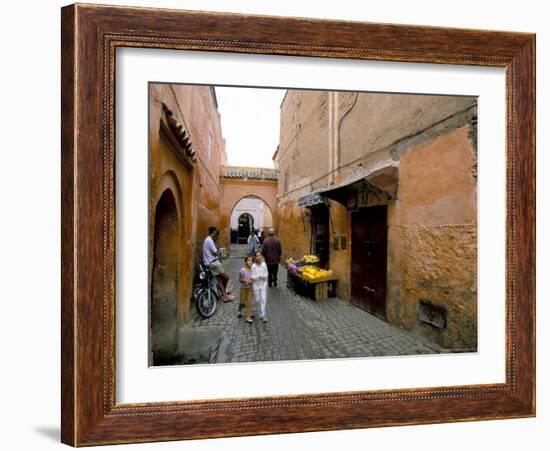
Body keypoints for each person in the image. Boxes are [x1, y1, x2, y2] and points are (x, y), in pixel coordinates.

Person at [202, 226, 235, 302]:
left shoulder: (207, 240)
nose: (216, 234)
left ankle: (225, 296)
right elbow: (215, 253)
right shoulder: (209, 240)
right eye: (216, 232)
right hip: (213, 263)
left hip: (209, 263)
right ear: (213, 232)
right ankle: (224, 294)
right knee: (226, 277)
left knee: (219, 280)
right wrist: (220, 252)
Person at [251, 251, 269, 323]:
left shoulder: (264, 264)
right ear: (255, 257)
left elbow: (266, 273)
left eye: (260, 256)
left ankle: (263, 315)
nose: (258, 257)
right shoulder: (253, 266)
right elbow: (252, 277)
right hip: (256, 285)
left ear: (262, 257)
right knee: (257, 300)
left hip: (263, 284)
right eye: (257, 256)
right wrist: (258, 277)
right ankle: (253, 309)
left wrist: (265, 277)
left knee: (263, 299)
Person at [238, 255, 254, 323]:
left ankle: (248, 316)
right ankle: (240, 309)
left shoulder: (253, 271)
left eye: (251, 261)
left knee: (249, 302)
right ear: (245, 262)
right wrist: (244, 280)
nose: (250, 262)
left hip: (250, 288)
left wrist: (251, 282)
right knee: (242, 301)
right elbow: (240, 279)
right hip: (243, 288)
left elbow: (254, 280)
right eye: (249, 260)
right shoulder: (242, 270)